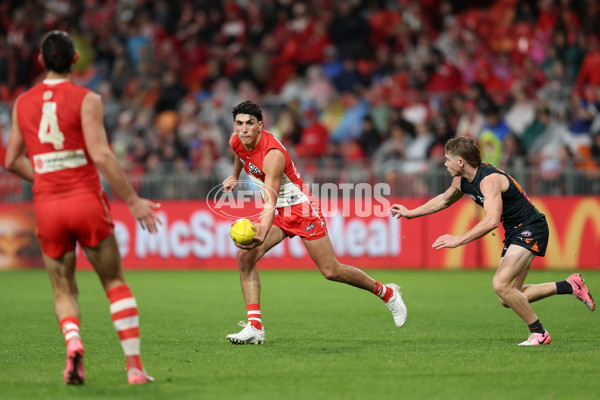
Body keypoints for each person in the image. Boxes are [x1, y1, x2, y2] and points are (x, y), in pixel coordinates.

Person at [4, 31, 161, 384]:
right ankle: (134, 368)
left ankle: (73, 342)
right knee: (114, 282)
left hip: (47, 205)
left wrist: (45, 174)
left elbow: (12, 160)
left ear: (41, 61)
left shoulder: (22, 103)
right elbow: (102, 155)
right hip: (85, 199)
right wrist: (133, 201)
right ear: (76, 60)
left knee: (63, 289)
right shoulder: (87, 98)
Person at [222, 101, 407, 344]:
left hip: (301, 209)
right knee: (245, 257)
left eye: (249, 124)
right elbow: (240, 154)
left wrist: (262, 231)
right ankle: (255, 327)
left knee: (331, 271)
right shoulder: (236, 140)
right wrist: (235, 175)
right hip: (279, 210)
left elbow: (270, 201)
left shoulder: (273, 155)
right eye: (239, 124)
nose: (244, 129)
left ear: (260, 126)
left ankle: (388, 293)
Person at [390, 136, 595, 346]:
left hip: (531, 227)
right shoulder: (461, 181)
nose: (444, 163)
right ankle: (570, 285)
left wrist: (459, 239)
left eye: (447, 159)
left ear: (460, 161)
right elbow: (443, 200)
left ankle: (539, 333)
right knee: (507, 297)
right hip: (515, 231)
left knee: (500, 284)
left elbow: (491, 221)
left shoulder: (489, 180)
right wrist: (410, 213)